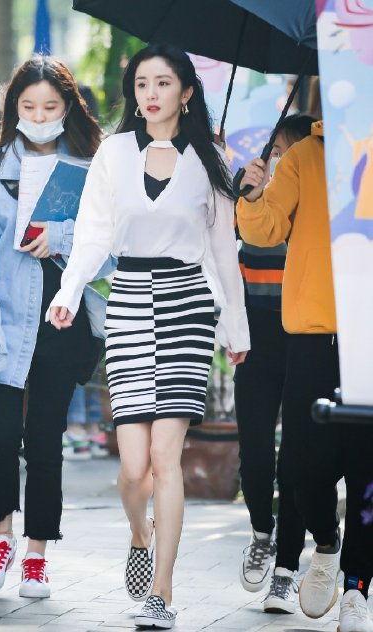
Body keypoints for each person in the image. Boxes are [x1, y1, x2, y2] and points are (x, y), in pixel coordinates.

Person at [48, 43, 250, 629]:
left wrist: (235, 327)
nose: (151, 93)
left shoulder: (209, 158)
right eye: (142, 83)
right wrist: (68, 292)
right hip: (131, 301)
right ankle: (140, 532)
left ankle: (162, 592)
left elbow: (223, 250)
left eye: (163, 83)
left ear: (187, 92)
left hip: (188, 305)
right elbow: (93, 232)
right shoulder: (114, 153)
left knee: (166, 458)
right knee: (133, 468)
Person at [0, 56, 110, 599]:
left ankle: (37, 552)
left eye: (50, 107)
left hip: (60, 319)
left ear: (68, 109)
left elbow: (111, 250)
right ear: (13, 108)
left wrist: (62, 239)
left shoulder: (90, 169)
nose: (39, 117)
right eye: (29, 106)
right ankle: (0, 538)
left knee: (44, 439)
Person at [237, 120, 373, 632]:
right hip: (313, 333)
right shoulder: (306, 155)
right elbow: (266, 229)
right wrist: (252, 196)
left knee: (367, 470)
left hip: (370, 335)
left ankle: (357, 587)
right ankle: (327, 542)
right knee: (300, 468)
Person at [236, 114, 315, 614]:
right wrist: (246, 191)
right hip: (256, 340)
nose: (284, 160)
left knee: (297, 460)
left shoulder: (318, 209)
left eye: (293, 152)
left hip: (305, 339)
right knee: (255, 453)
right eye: (278, 151)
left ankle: (286, 567)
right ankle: (261, 532)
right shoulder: (253, 199)